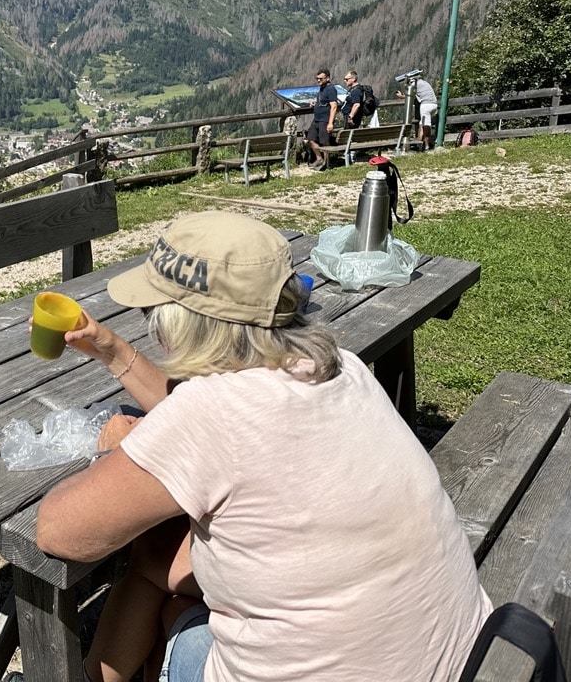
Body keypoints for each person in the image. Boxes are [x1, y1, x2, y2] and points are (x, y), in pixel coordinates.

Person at [34, 211, 493, 682]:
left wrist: (120, 449)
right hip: (451, 659)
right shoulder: (341, 368)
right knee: (160, 557)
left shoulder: (208, 416)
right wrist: (112, 351)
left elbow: (59, 533)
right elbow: (210, 422)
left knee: (171, 608)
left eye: (152, 313)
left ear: (182, 325)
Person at [305, 68, 337, 169]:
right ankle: (319, 159)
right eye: (317, 78)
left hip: (325, 120)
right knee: (311, 138)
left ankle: (327, 163)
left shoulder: (331, 89)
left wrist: (330, 123)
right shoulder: (322, 88)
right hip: (317, 119)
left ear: (327, 78)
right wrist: (316, 104)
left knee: (325, 142)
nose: (319, 80)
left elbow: (334, 106)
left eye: (321, 79)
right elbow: (324, 101)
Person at [398, 75, 439, 150]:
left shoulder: (414, 84)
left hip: (426, 105)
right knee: (421, 124)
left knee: (426, 125)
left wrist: (401, 96)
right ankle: (419, 144)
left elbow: (410, 95)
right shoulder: (425, 83)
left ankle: (426, 146)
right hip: (434, 105)